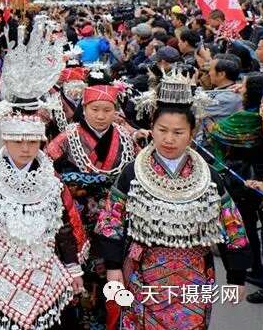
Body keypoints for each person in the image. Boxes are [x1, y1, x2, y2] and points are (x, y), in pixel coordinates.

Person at [95, 69, 251, 329]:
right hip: (143, 272)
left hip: (195, 276)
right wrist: (113, 267)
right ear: (152, 128)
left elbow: (231, 224)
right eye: (162, 130)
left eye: (178, 132)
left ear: (192, 132)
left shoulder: (208, 177)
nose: (169, 139)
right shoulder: (133, 173)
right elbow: (112, 221)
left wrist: (236, 276)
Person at [0, 111, 89, 330]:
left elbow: (65, 224)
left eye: (32, 142)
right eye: (17, 141)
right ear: (5, 140)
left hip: (43, 262)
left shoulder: (51, 180)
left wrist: (73, 267)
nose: (25, 149)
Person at [46, 76, 137, 328]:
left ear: (115, 111)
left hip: (115, 217)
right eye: (94, 109)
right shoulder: (67, 137)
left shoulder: (125, 138)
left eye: (107, 110)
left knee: (111, 272)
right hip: (76, 216)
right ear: (84, 109)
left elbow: (140, 169)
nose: (100, 115)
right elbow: (45, 167)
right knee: (77, 270)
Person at [207, 73, 263, 298]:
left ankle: (254, 266)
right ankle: (257, 268)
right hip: (258, 176)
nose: (239, 88)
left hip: (243, 176)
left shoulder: (244, 118)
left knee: (245, 224)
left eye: (244, 86)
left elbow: (216, 132)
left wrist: (205, 120)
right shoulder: (258, 117)